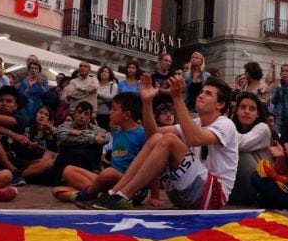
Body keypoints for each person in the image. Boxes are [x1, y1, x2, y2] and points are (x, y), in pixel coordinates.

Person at [94, 74, 238, 210]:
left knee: (169, 139)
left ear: (220, 104)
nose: (201, 95)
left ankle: (124, 196)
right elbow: (151, 134)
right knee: (158, 138)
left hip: (214, 196)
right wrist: (147, 101)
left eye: (208, 94)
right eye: (201, 91)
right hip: (183, 193)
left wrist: (177, 97)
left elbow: (196, 139)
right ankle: (115, 193)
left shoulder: (226, 124)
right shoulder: (196, 122)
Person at [53, 93, 159, 206]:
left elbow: (152, 166)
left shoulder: (141, 134)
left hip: (133, 188)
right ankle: (100, 195)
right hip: (112, 182)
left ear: (126, 114)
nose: (110, 112)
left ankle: (85, 195)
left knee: (109, 173)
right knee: (69, 170)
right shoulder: (117, 134)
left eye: (114, 109)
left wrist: (155, 196)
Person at [229, 92, 272, 204]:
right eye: (243, 107)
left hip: (260, 186)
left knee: (239, 153)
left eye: (252, 109)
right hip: (239, 186)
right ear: (237, 111)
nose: (246, 111)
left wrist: (221, 129)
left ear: (257, 114)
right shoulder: (233, 128)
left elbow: (239, 144)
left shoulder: (263, 128)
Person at [0, 86, 32, 186]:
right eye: (0, 100)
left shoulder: (22, 115)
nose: (4, 103)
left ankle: (18, 175)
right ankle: (14, 172)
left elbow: (12, 122)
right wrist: (14, 135)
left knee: (47, 162)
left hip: (17, 159)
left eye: (9, 101)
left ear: (15, 106)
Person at [54, 101, 111, 179]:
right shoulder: (65, 126)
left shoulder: (93, 128)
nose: (82, 116)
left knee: (96, 143)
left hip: (86, 166)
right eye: (80, 112)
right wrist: (92, 138)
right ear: (74, 114)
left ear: (90, 118)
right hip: (66, 165)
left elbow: (107, 136)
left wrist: (83, 133)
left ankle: (95, 172)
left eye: (86, 114)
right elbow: (63, 137)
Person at [10, 105, 57, 184]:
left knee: (52, 156)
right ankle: (18, 175)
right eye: (40, 113)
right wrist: (28, 147)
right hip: (27, 162)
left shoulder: (51, 133)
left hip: (43, 163)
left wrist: (51, 132)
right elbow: (16, 150)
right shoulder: (26, 129)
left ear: (50, 120)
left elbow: (54, 150)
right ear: (35, 114)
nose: (42, 116)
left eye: (46, 115)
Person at [96, 65, 118, 130]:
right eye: (102, 71)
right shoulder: (96, 84)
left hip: (106, 114)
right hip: (94, 113)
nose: (103, 73)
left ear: (110, 74)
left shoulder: (113, 85)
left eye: (106, 72)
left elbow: (112, 97)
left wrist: (98, 94)